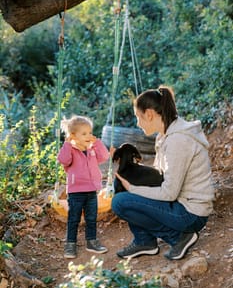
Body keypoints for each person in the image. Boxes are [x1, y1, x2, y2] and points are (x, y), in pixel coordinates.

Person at [111, 86, 214, 260]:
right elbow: (161, 175)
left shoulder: (178, 140)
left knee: (120, 201)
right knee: (124, 182)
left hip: (191, 213)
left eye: (138, 117)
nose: (137, 123)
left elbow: (169, 192)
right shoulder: (166, 134)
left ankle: (179, 237)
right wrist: (131, 170)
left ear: (149, 114)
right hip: (180, 203)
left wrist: (133, 188)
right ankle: (145, 241)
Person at [57, 115, 109, 259]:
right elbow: (63, 160)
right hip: (76, 192)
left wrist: (97, 142)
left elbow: (105, 156)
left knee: (91, 218)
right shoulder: (70, 150)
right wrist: (67, 144)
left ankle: (91, 242)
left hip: (92, 191)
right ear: (73, 135)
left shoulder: (92, 149)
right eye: (84, 133)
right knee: (74, 219)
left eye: (90, 132)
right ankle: (70, 244)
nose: (89, 136)